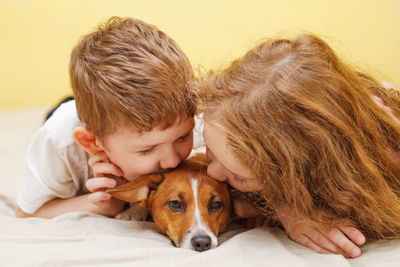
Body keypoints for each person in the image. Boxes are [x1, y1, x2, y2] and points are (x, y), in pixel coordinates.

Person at [197, 33, 400, 258]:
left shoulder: (375, 173)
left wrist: (300, 212)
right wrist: (285, 208)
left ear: (300, 179)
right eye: (210, 149)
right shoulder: (224, 117)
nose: (211, 171)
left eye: (239, 177)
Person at [15, 16, 203, 218]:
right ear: (93, 142)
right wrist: (103, 204)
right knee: (59, 112)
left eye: (183, 137)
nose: (172, 161)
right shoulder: (60, 141)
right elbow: (26, 213)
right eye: (147, 150)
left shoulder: (190, 120)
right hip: (70, 117)